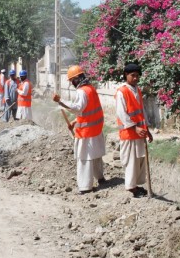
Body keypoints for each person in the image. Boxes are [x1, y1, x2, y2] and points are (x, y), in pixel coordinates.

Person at [53, 65, 107, 194]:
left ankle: (85, 187)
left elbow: (78, 108)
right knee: (95, 156)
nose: (71, 83)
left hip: (86, 132)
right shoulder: (91, 89)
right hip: (95, 129)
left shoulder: (82, 91)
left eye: (72, 80)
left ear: (77, 79)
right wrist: (75, 121)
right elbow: (88, 110)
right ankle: (100, 178)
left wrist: (60, 101)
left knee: (84, 158)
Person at [115, 63, 153, 198]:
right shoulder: (122, 91)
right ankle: (131, 188)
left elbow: (142, 111)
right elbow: (122, 114)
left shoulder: (137, 90)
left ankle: (136, 186)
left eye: (137, 76)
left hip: (139, 133)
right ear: (126, 75)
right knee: (131, 162)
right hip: (129, 133)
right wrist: (135, 127)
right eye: (133, 75)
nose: (136, 78)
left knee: (138, 161)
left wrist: (146, 129)